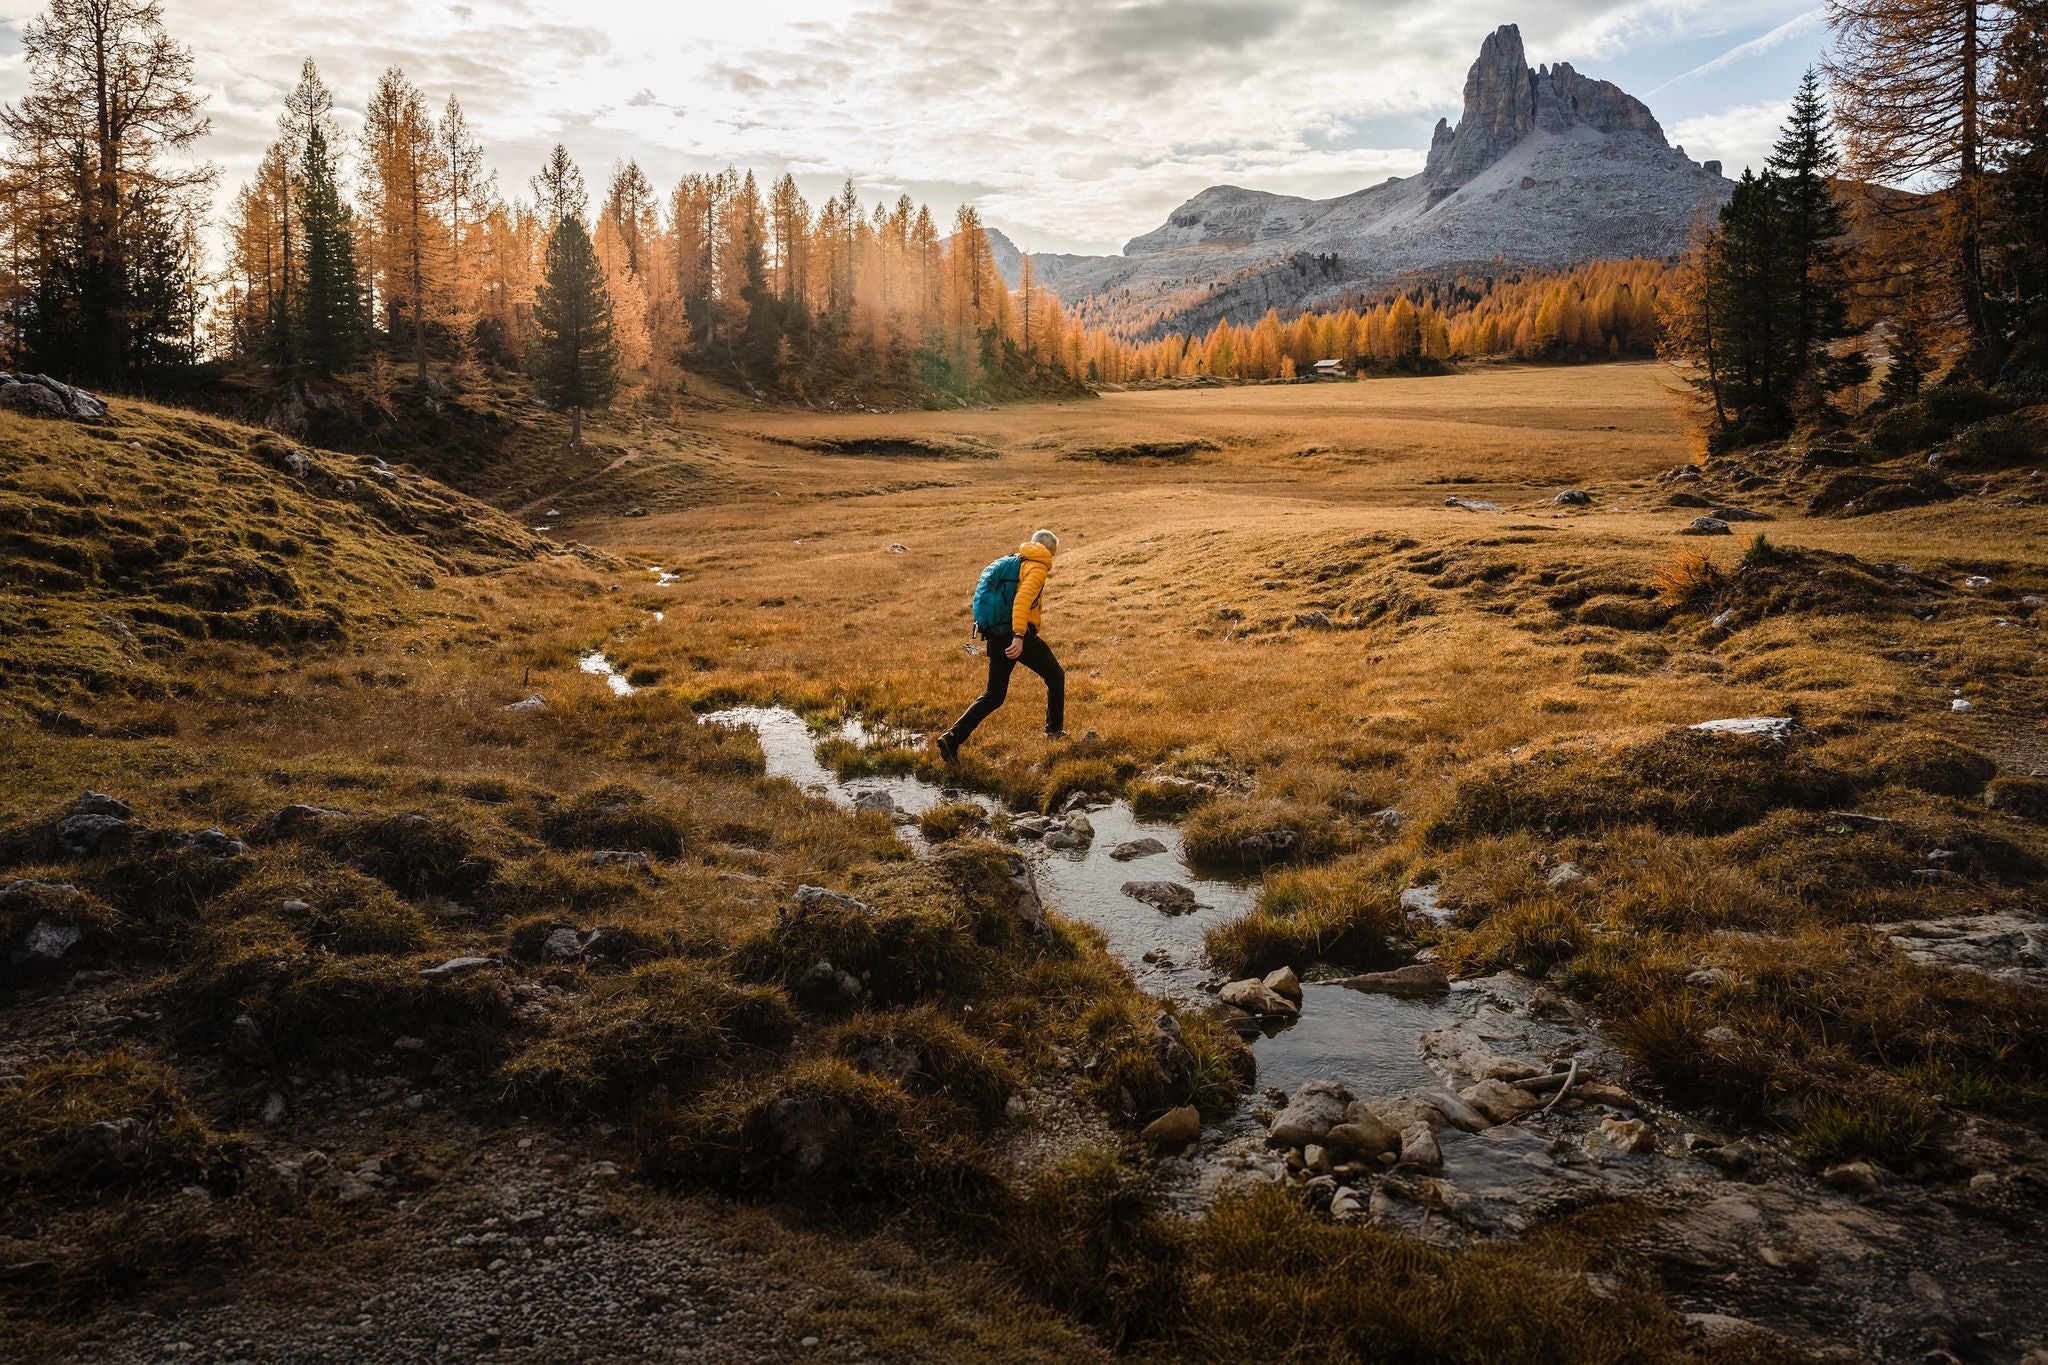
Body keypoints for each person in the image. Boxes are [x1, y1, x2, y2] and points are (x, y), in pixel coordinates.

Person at [935, 529, 1064, 762]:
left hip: (995, 634)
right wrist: (1019, 636)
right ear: (1048, 551)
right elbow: (1022, 601)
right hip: (1016, 635)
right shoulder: (1037, 567)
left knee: (994, 694)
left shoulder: (1016, 561)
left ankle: (951, 738)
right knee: (1056, 676)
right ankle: (1054, 733)